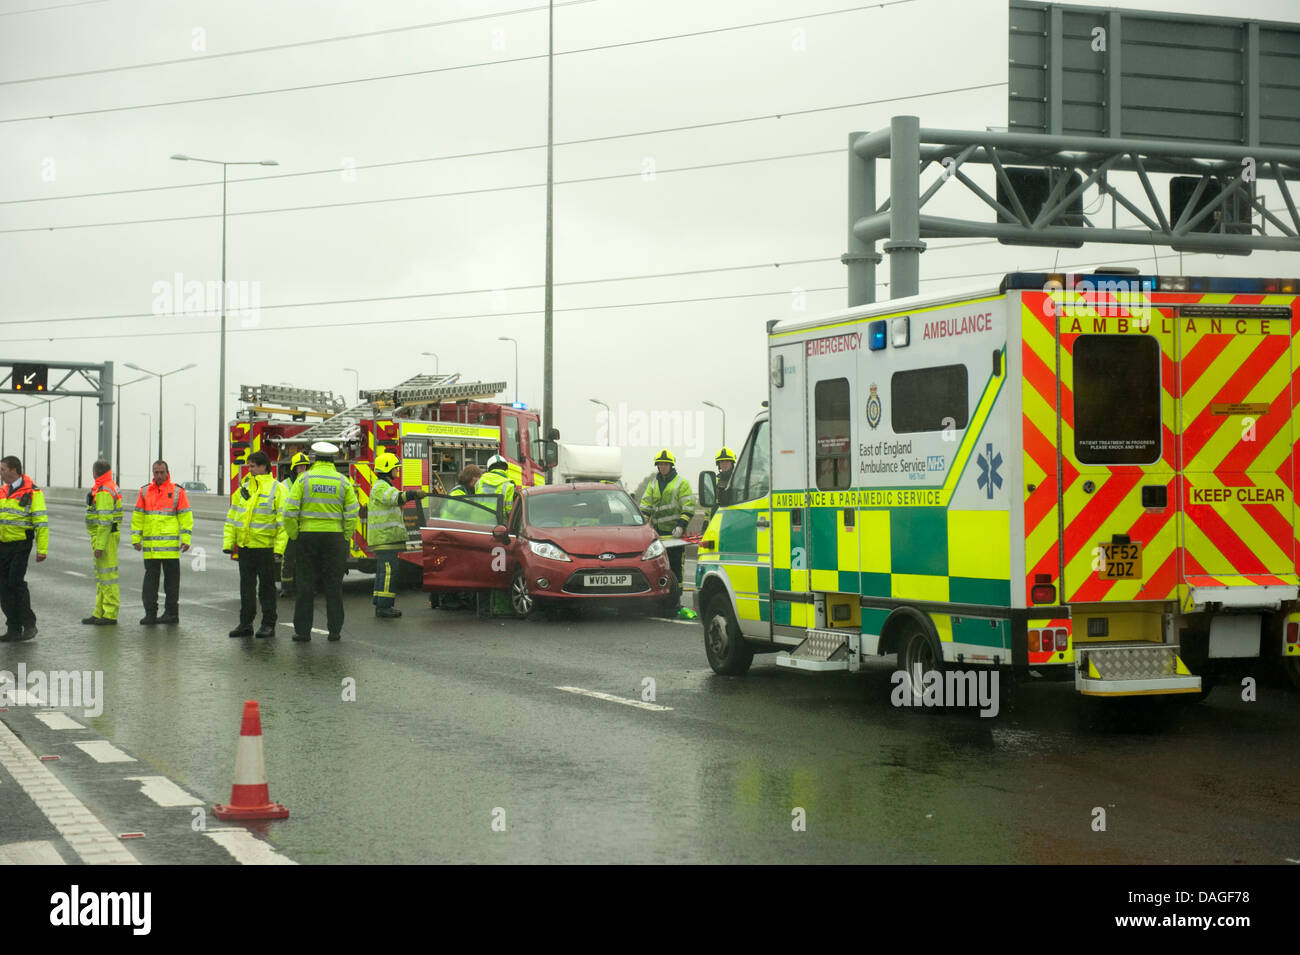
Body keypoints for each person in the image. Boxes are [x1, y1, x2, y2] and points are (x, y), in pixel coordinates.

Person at [283, 442, 359, 642]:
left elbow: (289, 512)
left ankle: (302, 632)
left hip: (307, 538)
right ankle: (334, 631)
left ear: (315, 459)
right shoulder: (343, 482)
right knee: (333, 587)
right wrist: (345, 536)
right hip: (334, 540)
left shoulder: (303, 480)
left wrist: (294, 535)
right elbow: (352, 513)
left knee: (305, 586)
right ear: (333, 459)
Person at [223, 451, 285, 638]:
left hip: (265, 548)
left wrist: (279, 549)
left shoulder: (277, 488)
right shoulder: (244, 488)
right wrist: (229, 542)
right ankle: (245, 623)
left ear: (263, 466)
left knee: (266, 589)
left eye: (252, 466)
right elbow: (233, 517)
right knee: (246, 589)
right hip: (246, 547)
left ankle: (268, 625)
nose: (248, 469)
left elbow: (283, 522)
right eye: (248, 466)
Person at [131, 460, 192, 625]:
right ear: (153, 473)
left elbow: (185, 516)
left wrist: (186, 539)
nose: (159, 475)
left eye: (162, 472)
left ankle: (172, 614)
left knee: (171, 583)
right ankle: (150, 614)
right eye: (156, 472)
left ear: (167, 472)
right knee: (150, 583)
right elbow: (138, 517)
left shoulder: (177, 492)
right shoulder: (144, 492)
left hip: (170, 549)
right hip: (151, 549)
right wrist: (136, 538)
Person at [367, 451, 426, 619]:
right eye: (395, 468)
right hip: (385, 538)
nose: (397, 471)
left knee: (383, 572)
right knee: (388, 571)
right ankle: (384, 607)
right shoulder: (381, 487)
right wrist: (413, 494)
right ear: (387, 469)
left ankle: (380, 603)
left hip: (386, 538)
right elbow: (396, 499)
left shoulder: (383, 486)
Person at [0, 456, 48, 642]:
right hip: (2, 544)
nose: (1, 473)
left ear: (14, 470)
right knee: (3, 587)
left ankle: (29, 624)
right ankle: (13, 628)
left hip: (21, 544)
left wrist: (42, 549)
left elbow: (41, 522)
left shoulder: (33, 492)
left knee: (15, 583)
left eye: (3, 469)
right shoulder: (3, 491)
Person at [638, 449, 695, 605]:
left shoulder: (681, 483)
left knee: (676, 566)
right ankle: (660, 597)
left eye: (665, 464)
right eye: (660, 464)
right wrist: (642, 526)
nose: (663, 467)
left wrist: (681, 526)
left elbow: (688, 508)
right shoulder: (653, 484)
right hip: (657, 535)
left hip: (675, 535)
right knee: (658, 567)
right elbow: (645, 507)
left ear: (671, 465)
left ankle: (676, 599)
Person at [82, 459, 122, 626]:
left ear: (94, 472)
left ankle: (110, 613)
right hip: (104, 536)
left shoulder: (104, 489)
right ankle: (100, 612)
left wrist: (99, 545)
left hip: (104, 538)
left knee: (107, 577)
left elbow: (105, 521)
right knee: (102, 578)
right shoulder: (105, 486)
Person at [277, 452, 310, 598]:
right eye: (299, 467)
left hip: (306, 526)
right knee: (288, 558)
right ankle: (286, 587)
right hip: (291, 527)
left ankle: (307, 587)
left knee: (307, 560)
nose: (302, 470)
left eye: (304, 467)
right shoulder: (285, 485)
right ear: (293, 469)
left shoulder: (310, 483)